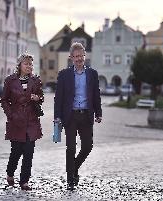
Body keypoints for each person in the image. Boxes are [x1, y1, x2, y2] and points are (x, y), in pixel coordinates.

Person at [54, 42, 102, 190]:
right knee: (71, 148)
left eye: (81, 55)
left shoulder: (92, 74)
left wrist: (98, 112)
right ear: (71, 58)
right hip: (71, 116)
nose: (78, 59)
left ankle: (73, 169)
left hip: (86, 115)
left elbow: (96, 95)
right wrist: (57, 116)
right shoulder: (64, 75)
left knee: (88, 146)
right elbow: (58, 97)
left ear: (84, 55)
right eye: (75, 56)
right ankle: (70, 180)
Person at [0, 53, 44, 191]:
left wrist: (37, 98)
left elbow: (41, 97)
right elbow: (4, 100)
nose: (29, 66)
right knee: (16, 151)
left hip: (31, 120)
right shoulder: (10, 81)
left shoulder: (36, 80)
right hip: (16, 121)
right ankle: (10, 172)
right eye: (26, 64)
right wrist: (10, 114)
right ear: (19, 65)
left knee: (29, 152)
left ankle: (24, 181)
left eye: (31, 64)